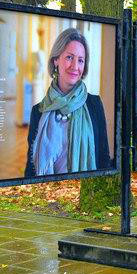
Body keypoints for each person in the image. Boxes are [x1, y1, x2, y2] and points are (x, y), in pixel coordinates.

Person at [25, 28, 110, 177]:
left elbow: (103, 158)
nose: (75, 66)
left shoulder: (94, 104)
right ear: (56, 60)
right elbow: (31, 168)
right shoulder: (38, 111)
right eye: (70, 57)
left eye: (80, 60)